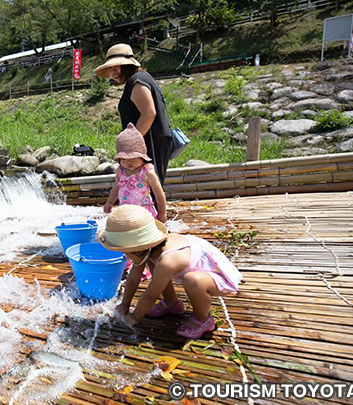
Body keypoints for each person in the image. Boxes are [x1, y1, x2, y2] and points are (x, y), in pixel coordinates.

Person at [100, 205, 243, 339]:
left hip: (218, 277)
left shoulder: (167, 261)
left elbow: (150, 295)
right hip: (200, 271)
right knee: (154, 264)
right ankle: (172, 303)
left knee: (192, 280)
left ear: (135, 249)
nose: (124, 256)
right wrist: (125, 304)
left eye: (123, 252)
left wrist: (134, 317)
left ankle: (203, 318)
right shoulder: (148, 250)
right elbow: (133, 277)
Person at [94, 43, 173, 186]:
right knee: (146, 188)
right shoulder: (139, 79)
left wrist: (131, 145)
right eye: (110, 68)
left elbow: (149, 113)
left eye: (116, 66)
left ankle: (153, 209)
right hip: (149, 141)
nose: (113, 72)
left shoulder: (137, 81)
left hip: (149, 142)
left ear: (128, 65)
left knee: (147, 187)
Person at [103, 125, 167, 223]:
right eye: (124, 159)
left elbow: (159, 194)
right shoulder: (121, 171)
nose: (129, 162)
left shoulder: (147, 173)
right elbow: (116, 188)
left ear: (142, 157)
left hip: (144, 214)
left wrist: (162, 213)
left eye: (134, 158)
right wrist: (109, 202)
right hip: (126, 214)